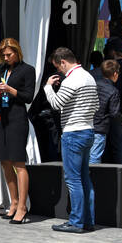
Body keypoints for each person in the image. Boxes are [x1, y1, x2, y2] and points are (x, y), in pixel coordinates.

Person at [43, 47, 99, 233]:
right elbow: (96, 105)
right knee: (84, 178)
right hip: (88, 130)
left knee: (73, 180)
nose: (59, 71)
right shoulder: (89, 77)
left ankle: (76, 222)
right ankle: (88, 220)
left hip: (73, 132)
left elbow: (56, 104)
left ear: (63, 62)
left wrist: (48, 88)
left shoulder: (72, 80)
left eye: (58, 67)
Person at [0, 38, 35, 224]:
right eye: (4, 55)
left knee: (19, 163)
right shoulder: (2, 70)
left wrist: (10, 89)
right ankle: (14, 201)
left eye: (9, 54)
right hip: (2, 117)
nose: (6, 57)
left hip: (17, 119)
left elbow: (28, 96)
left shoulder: (27, 70)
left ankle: (22, 206)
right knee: (4, 161)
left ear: (17, 52)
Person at [90, 59, 122, 165]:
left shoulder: (92, 85)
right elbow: (114, 113)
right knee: (94, 158)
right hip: (99, 128)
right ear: (115, 74)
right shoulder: (113, 91)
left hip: (85, 125)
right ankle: (92, 180)